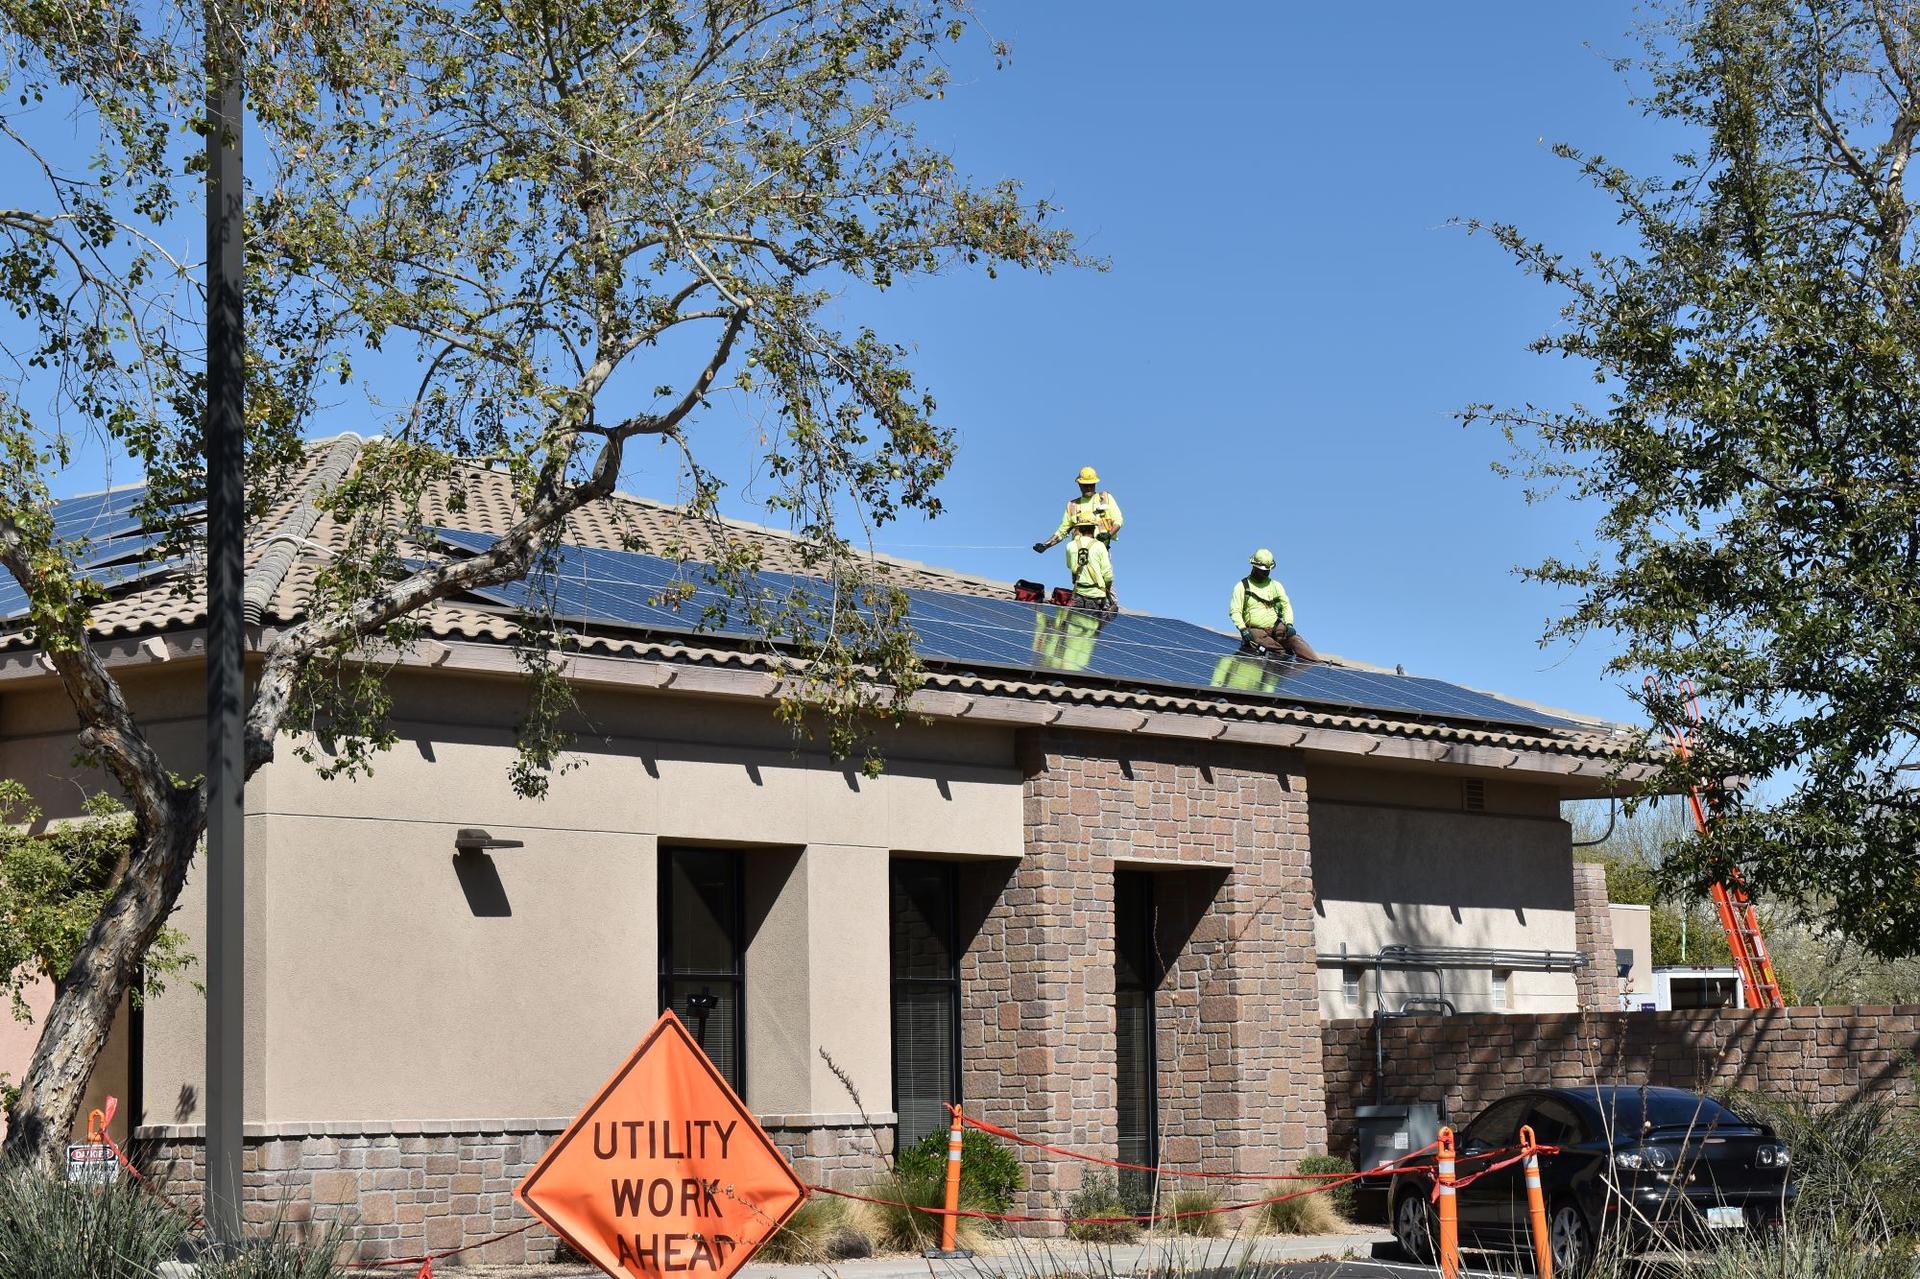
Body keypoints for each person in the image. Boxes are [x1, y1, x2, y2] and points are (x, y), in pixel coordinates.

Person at [1230, 548, 1320, 661]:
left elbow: (1286, 605)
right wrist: (1243, 629)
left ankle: (1317, 665)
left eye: (1268, 570)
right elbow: (1235, 611)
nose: (1265, 572)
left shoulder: (1276, 586)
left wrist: (1289, 624)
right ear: (1254, 566)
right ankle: (1279, 665)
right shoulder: (1242, 586)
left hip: (1275, 626)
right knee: (1278, 651)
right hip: (1254, 630)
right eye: (1262, 570)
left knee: (1295, 640)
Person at [1032, 466, 1123, 553]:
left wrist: (1109, 534)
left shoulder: (1105, 498)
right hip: (1079, 554)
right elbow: (1062, 531)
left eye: (1091, 484)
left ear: (1095, 484)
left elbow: (1118, 520)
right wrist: (1045, 546)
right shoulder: (1073, 505)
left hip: (1101, 550)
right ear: (1079, 484)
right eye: (1085, 485)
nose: (1088, 487)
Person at [1064, 511, 1116, 615]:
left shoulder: (1070, 546)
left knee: (1075, 628)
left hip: (1078, 593)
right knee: (1091, 628)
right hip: (1097, 596)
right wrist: (1107, 593)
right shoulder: (1100, 546)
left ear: (1079, 528)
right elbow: (1108, 576)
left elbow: (1071, 567)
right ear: (1094, 528)